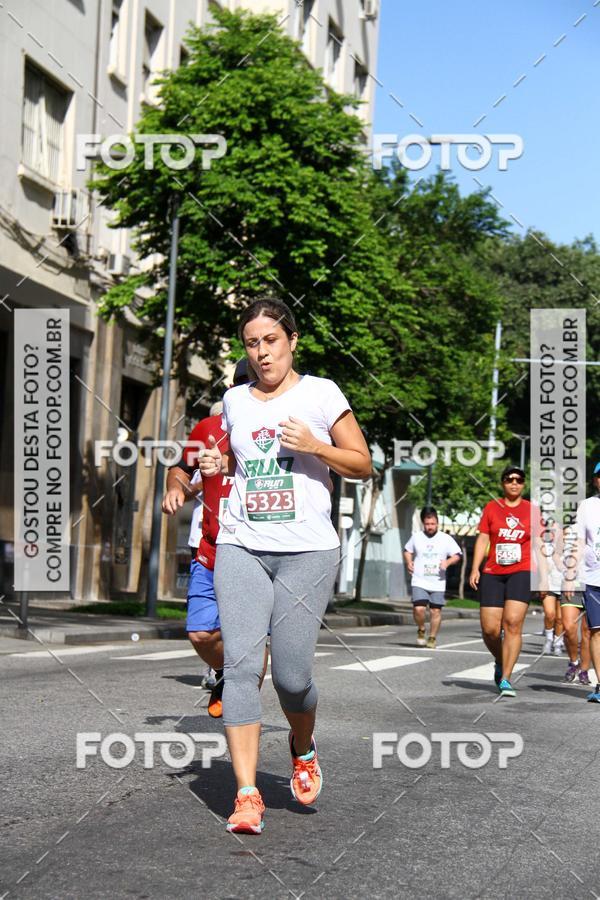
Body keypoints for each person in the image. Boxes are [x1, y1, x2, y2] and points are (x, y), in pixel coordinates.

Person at [199, 297, 372, 835]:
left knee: (293, 678)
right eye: (252, 343)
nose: (262, 352)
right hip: (242, 544)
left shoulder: (321, 393)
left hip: (307, 552)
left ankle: (302, 746)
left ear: (292, 341)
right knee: (243, 669)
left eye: (271, 340)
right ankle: (247, 793)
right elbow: (245, 460)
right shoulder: (233, 400)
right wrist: (219, 462)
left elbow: (363, 464)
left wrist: (315, 446)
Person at [162, 361, 251, 717]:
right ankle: (226, 671)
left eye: (254, 383)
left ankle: (244, 719)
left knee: (251, 641)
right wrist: (176, 489)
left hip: (257, 553)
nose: (247, 390)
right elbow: (181, 468)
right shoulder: (209, 428)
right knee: (200, 633)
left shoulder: (278, 426)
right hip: (211, 549)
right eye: (241, 383)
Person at [469, 465, 542, 698]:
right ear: (502, 483)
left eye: (519, 480)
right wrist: (475, 568)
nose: (514, 483)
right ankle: (500, 660)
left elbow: (539, 545)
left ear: (523, 484)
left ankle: (506, 678)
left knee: (512, 623)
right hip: (493, 571)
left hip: (522, 571)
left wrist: (544, 577)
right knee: (490, 630)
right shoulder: (492, 507)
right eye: (509, 479)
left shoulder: (532, 510)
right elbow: (482, 539)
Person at [565, 462, 600, 702]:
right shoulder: (586, 506)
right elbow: (579, 541)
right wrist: (570, 573)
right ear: (595, 480)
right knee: (597, 632)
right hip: (593, 578)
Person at [403, 506, 461, 649]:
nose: (430, 527)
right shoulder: (416, 537)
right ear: (423, 523)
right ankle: (421, 628)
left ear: (437, 523)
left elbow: (458, 555)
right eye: (427, 524)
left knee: (435, 611)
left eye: (433, 524)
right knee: (419, 609)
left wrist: (447, 562)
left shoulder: (445, 539)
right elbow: (407, 550)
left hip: (438, 581)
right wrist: (408, 562)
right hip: (419, 579)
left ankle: (432, 637)